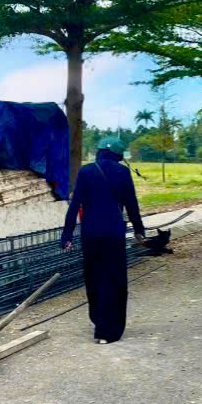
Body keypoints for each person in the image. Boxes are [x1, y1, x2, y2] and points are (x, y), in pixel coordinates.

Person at [61, 137, 146, 344]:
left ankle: (98, 321)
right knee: (114, 279)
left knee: (94, 277)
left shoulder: (86, 171)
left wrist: (67, 235)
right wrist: (139, 230)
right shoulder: (123, 172)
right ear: (118, 154)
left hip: (90, 234)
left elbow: (75, 205)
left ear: (99, 152)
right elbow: (132, 204)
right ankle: (108, 331)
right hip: (114, 234)